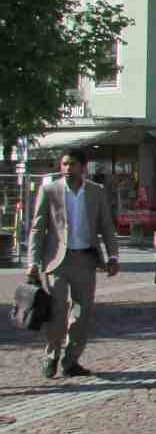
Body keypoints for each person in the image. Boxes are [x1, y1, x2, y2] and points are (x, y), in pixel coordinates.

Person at [27, 149, 120, 378]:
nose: (67, 168)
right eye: (64, 164)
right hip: (56, 260)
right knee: (57, 313)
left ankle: (71, 360)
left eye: (72, 164)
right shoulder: (50, 190)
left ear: (83, 167)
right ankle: (51, 356)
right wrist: (32, 261)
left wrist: (113, 256)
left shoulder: (96, 192)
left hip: (85, 259)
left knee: (82, 313)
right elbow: (38, 228)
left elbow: (106, 226)